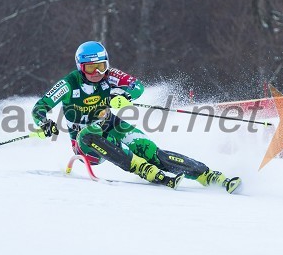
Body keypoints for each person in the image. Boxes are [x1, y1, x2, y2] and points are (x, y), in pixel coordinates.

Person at [31, 41, 241, 193]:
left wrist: (124, 96)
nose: (96, 72)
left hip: (110, 125)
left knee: (149, 150)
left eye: (101, 66)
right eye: (90, 68)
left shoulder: (110, 75)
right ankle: (143, 168)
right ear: (80, 67)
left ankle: (208, 175)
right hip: (85, 142)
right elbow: (40, 107)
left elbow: (137, 86)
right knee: (88, 134)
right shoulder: (69, 83)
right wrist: (44, 123)